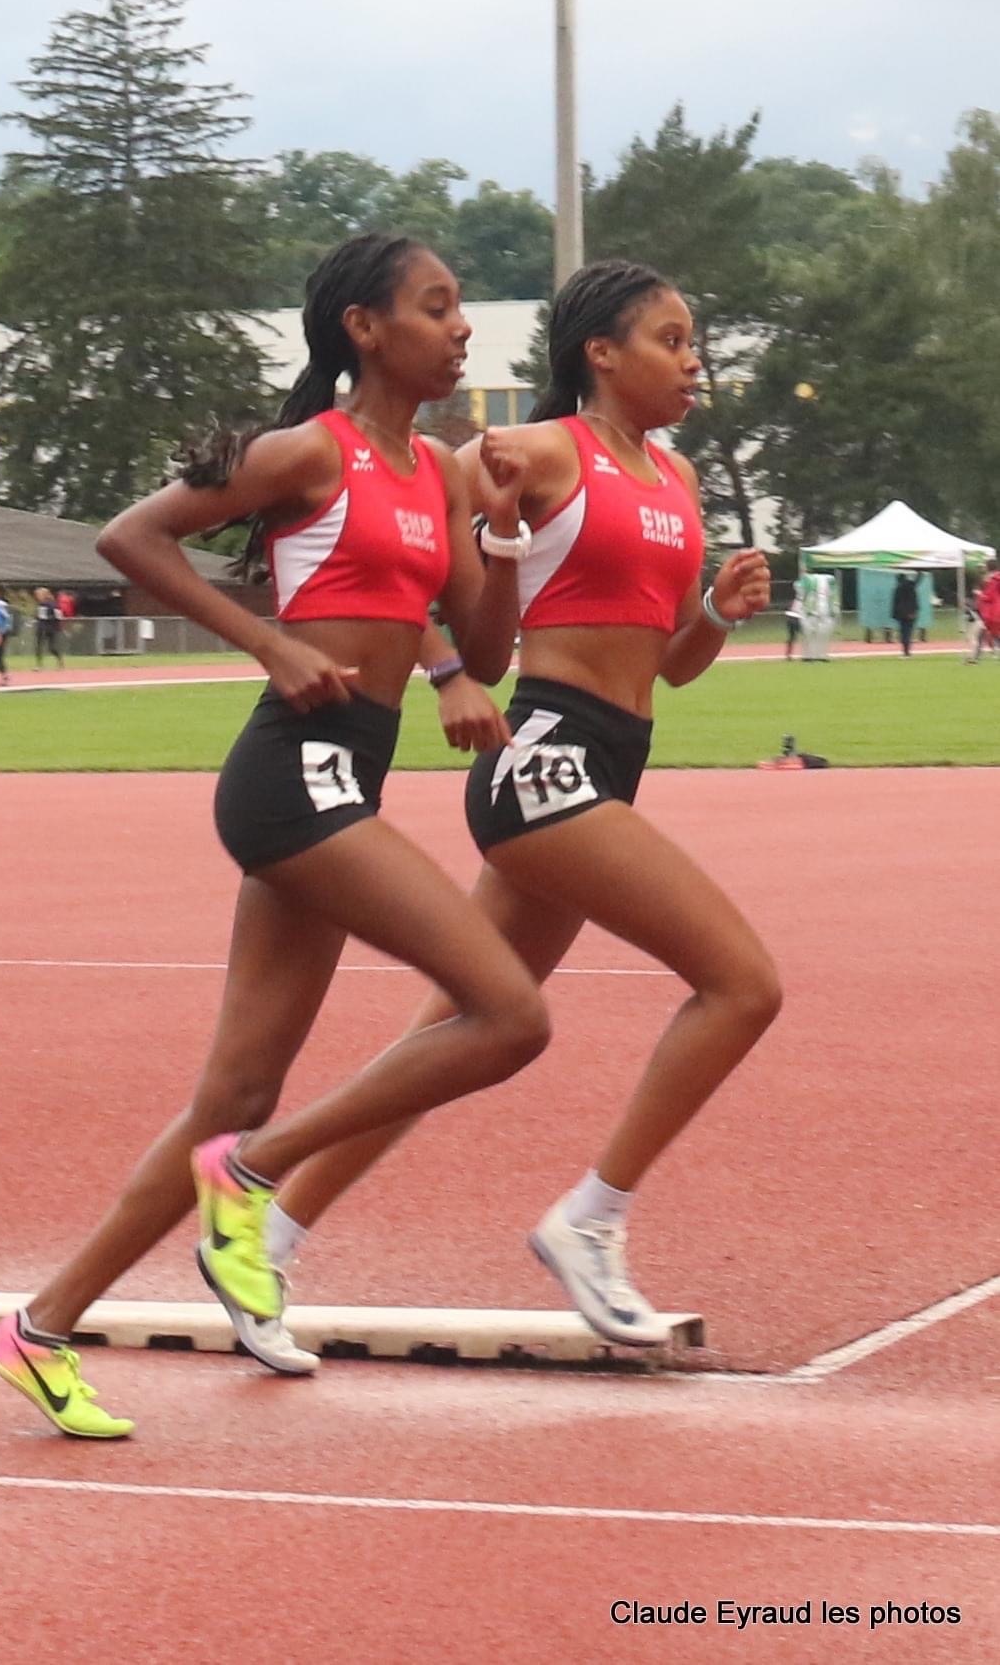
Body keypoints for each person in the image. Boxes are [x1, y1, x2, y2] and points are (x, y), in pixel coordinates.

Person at [0, 232, 549, 1436]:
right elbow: (131, 538)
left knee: (235, 1089)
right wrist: (270, 643)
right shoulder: (311, 452)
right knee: (508, 1013)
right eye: (436, 307)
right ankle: (249, 1176)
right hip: (291, 778)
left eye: (459, 309)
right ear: (363, 327)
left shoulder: (439, 472)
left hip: (349, 777)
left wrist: (500, 536)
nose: (460, 327)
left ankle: (38, 1328)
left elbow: (488, 651)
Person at [248, 257, 781, 1364]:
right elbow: (405, 534)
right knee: (741, 984)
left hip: (611, 760)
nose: (693, 363)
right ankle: (590, 1220)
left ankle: (268, 1228)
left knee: (452, 1033)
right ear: (601, 352)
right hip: (545, 762)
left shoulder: (676, 477)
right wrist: (450, 653)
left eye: (693, 344)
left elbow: (666, 666)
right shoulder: (534, 452)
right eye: (672, 341)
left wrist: (717, 615)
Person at [32, 587, 65, 669]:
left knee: (52, 648)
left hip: (51, 628)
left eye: (39, 595)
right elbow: (39, 616)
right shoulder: (40, 605)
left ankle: (60, 660)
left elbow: (59, 617)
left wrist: (48, 617)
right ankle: (39, 665)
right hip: (41, 627)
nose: (37, 597)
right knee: (39, 646)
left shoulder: (54, 605)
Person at [891, 572, 919, 656]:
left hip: (900, 614)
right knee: (908, 632)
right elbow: (913, 601)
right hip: (910, 613)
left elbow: (895, 602)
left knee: (903, 632)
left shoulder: (897, 589)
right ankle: (907, 651)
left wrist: (895, 614)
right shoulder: (911, 587)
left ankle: (905, 650)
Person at [784, 579, 804, 660]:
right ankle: (809, 653)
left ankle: (788, 654)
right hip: (796, 618)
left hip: (790, 617)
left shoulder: (796, 600)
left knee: (791, 637)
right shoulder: (804, 600)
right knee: (808, 635)